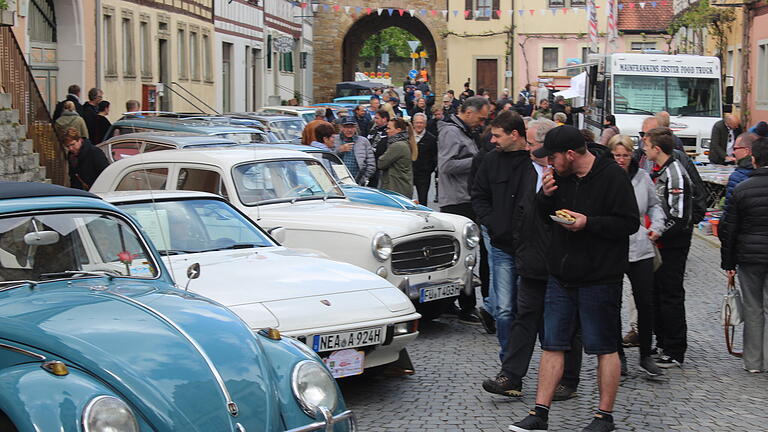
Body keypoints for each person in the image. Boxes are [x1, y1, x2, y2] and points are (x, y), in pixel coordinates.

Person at [508, 125, 639, 432]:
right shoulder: (559, 178)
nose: (548, 164)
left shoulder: (612, 176)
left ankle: (603, 417)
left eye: (552, 157)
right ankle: (539, 413)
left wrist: (588, 223)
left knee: (604, 347)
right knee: (552, 344)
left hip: (600, 277)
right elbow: (543, 216)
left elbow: (629, 223)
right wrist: (545, 196)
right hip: (560, 275)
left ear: (570, 154)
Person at [481, 118, 584, 402]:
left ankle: (568, 379)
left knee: (565, 323)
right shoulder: (528, 169)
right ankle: (510, 376)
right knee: (523, 319)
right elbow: (520, 210)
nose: (528, 149)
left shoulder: (570, 174)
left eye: (534, 144)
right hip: (530, 258)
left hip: (561, 261)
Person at [471, 110, 532, 356]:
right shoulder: (490, 161)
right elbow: (478, 195)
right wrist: (490, 222)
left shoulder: (534, 163)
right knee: (505, 308)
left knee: (528, 308)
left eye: (497, 136)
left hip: (531, 246)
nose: (493, 140)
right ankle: (509, 360)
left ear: (515, 135)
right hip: (502, 245)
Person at [606, 134, 666, 378]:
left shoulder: (642, 177)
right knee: (612, 302)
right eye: (617, 155)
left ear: (633, 155)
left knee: (645, 301)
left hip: (640, 246)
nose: (621, 159)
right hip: (612, 246)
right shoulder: (605, 178)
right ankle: (617, 355)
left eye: (625, 155)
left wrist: (657, 226)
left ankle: (645, 355)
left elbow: (655, 205)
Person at [437, 96, 491, 324]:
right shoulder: (451, 132)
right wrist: (478, 160)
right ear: (468, 112)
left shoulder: (466, 131)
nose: (482, 122)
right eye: (480, 118)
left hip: (467, 197)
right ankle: (465, 306)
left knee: (468, 254)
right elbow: (446, 166)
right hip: (457, 200)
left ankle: (460, 303)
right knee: (465, 256)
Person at [643, 127, 693, 369]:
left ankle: (674, 348)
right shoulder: (657, 170)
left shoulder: (674, 173)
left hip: (672, 244)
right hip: (658, 242)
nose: (643, 148)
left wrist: (658, 232)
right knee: (656, 294)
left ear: (657, 149)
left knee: (670, 294)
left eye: (647, 144)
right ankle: (661, 341)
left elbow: (680, 216)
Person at [719, 136, 768, 373]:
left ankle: (754, 361)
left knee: (752, 308)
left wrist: (728, 263)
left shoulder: (742, 189)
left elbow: (730, 229)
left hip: (749, 257)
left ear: (754, 160)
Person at [378, 117, 417, 198]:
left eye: (389, 128)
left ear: (398, 130)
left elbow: (381, 163)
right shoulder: (403, 142)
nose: (387, 131)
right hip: (400, 188)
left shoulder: (397, 145)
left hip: (396, 190)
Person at [334, 116, 376, 185]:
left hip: (358, 180)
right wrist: (339, 150)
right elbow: (328, 159)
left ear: (355, 128)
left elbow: (371, 163)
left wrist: (364, 179)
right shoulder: (335, 140)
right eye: (346, 127)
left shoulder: (363, 141)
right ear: (341, 128)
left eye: (352, 127)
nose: (349, 130)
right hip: (338, 181)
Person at [724, 133, 759, 213]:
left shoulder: (738, 176)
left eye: (735, 148)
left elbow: (730, 210)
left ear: (746, 151)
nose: (733, 152)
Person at [411, 113, 437, 205]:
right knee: (406, 200)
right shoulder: (407, 137)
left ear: (425, 124)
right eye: (417, 123)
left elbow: (435, 157)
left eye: (421, 123)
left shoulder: (431, 139)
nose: (419, 125)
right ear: (413, 123)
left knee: (423, 200)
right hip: (409, 173)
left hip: (423, 175)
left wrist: (428, 169)